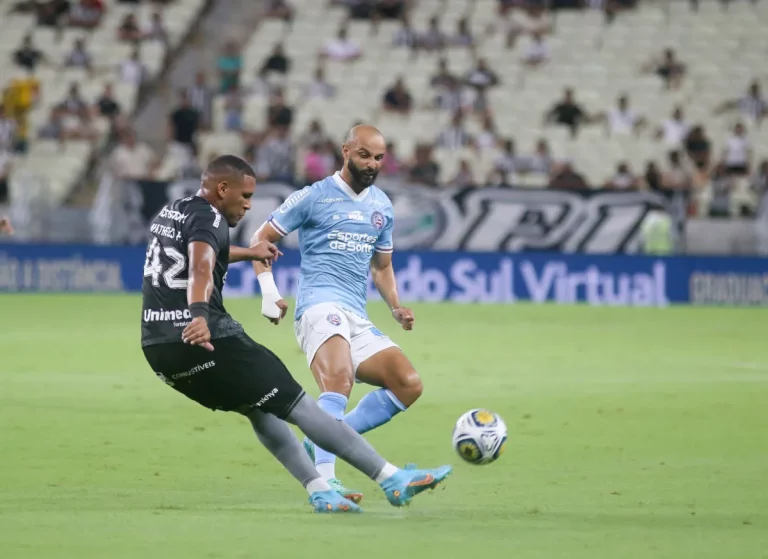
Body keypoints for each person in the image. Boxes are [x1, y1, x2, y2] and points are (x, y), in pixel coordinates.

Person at [140, 155, 451, 514]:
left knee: (258, 407)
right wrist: (198, 314)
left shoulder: (174, 211)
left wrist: (250, 252)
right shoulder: (209, 216)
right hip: (205, 338)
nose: (248, 204)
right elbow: (200, 264)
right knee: (299, 405)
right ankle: (391, 478)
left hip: (159, 349)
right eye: (245, 196)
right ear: (222, 189)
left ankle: (320, 490)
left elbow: (204, 251)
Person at [249, 125, 423, 504]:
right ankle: (326, 481)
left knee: (408, 383)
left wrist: (395, 306)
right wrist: (269, 292)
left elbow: (382, 267)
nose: (372, 164)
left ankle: (323, 436)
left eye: (379, 158)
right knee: (338, 383)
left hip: (355, 314)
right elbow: (260, 239)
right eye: (364, 155)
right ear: (345, 150)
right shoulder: (313, 197)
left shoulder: (381, 206)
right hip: (317, 306)